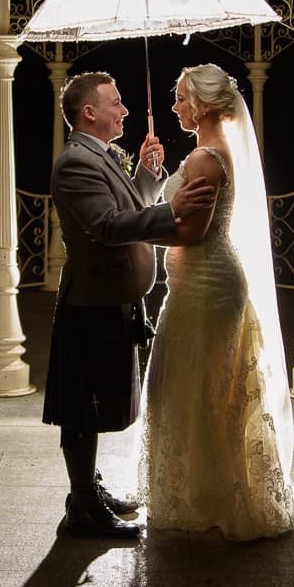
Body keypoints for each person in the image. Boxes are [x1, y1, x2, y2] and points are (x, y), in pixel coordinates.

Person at [44, 71, 215, 539]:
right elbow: (109, 226)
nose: (124, 110)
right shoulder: (75, 162)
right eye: (115, 103)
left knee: (98, 403)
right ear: (89, 113)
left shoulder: (102, 156)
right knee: (83, 406)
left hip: (113, 298)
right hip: (91, 302)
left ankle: (87, 491)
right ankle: (80, 506)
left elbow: (128, 207)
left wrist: (146, 176)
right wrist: (174, 210)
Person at [141, 63, 294, 541]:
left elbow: (192, 232)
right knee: (201, 386)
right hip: (195, 286)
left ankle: (214, 495)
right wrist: (154, 179)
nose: (175, 107)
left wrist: (139, 222)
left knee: (204, 387)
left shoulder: (206, 159)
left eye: (181, 98)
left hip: (207, 287)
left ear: (205, 104)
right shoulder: (203, 154)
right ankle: (207, 488)